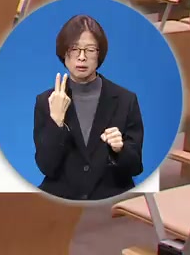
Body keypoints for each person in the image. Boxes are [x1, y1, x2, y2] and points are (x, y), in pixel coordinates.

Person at [33, 14, 144, 200]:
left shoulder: (126, 100)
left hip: (110, 197)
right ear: (63, 53)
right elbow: (46, 167)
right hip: (63, 199)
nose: (82, 57)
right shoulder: (46, 101)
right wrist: (56, 122)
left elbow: (135, 167)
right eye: (74, 49)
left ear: (100, 54)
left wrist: (120, 149)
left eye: (90, 50)